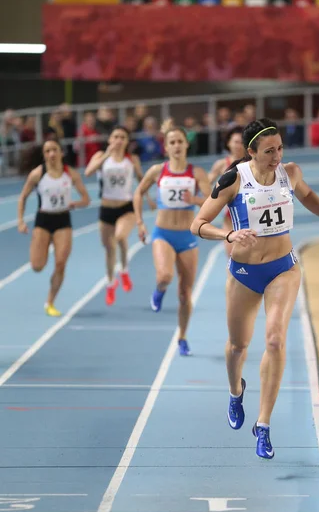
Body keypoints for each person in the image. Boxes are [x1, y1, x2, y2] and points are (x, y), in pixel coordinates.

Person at [190, 118, 319, 459]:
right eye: (268, 151)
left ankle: (263, 424)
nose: (277, 156)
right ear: (251, 152)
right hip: (245, 271)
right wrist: (229, 235)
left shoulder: (289, 172)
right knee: (238, 346)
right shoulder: (233, 179)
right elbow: (198, 224)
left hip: (283, 269)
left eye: (280, 148)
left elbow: (308, 197)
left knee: (275, 339)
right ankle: (236, 392)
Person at [133, 119, 211, 356]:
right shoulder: (158, 171)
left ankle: (183, 337)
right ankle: (159, 289)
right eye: (172, 142)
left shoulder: (196, 173)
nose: (177, 146)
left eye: (180, 142)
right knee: (165, 275)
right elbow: (138, 192)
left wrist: (194, 200)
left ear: (186, 146)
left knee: (185, 294)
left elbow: (212, 201)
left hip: (186, 237)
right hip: (162, 233)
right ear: (166, 147)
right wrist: (139, 221)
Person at [17, 139, 90, 316]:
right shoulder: (37, 174)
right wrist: (20, 220)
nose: (51, 154)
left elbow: (86, 199)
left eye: (54, 150)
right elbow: (23, 197)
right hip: (43, 221)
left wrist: (75, 204)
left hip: (63, 220)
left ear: (61, 152)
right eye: (47, 151)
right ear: (44, 155)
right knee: (37, 266)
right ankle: (41, 246)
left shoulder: (71, 174)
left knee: (60, 263)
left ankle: (50, 302)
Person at [85, 126, 155, 306]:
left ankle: (124, 269)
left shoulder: (132, 159)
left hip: (126, 206)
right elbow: (88, 172)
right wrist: (107, 155)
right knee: (109, 249)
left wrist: (147, 198)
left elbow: (142, 180)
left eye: (122, 137)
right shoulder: (100, 156)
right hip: (106, 208)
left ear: (126, 141)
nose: (118, 140)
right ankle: (110, 283)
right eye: (115, 136)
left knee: (120, 236)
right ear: (110, 139)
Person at [208, 126, 245, 256]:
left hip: (250, 212)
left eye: (241, 142)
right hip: (230, 215)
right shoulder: (222, 164)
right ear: (228, 143)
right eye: (235, 142)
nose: (238, 146)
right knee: (231, 256)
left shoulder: (252, 163)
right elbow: (207, 183)